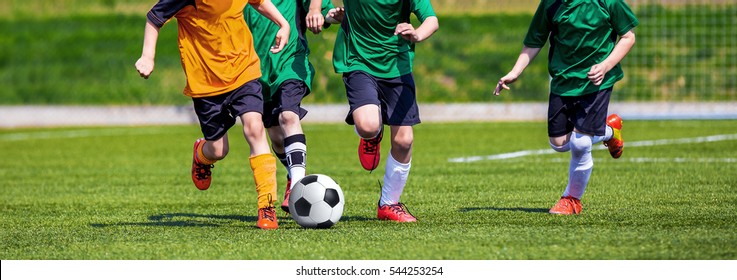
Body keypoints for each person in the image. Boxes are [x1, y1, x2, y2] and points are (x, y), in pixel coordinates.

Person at [134, 0, 290, 229]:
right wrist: (148, 56)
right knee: (218, 150)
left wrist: (282, 23)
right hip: (205, 82)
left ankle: (266, 207)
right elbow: (154, 18)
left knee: (255, 128)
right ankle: (202, 154)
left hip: (243, 69)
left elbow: (259, 2)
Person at [494, 0, 638, 215]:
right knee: (559, 144)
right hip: (563, 82)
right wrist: (515, 72)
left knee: (580, 143)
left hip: (597, 82)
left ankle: (571, 199)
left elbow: (628, 37)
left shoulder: (608, 2)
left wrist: (606, 66)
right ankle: (609, 131)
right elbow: (535, 40)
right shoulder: (550, 4)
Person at [332, 0, 439, 222]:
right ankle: (372, 135)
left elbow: (431, 20)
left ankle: (389, 204)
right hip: (358, 61)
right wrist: (316, 9)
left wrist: (417, 34)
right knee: (368, 125)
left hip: (397, 66)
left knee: (404, 141)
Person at [244, 0, 344, 214]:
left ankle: (299, 189)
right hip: (255, 70)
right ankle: (293, 174)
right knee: (277, 140)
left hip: (291, 63)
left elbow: (321, 12)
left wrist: (332, 15)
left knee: (288, 117)